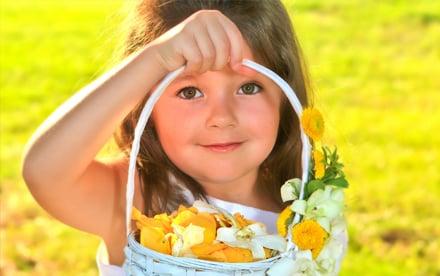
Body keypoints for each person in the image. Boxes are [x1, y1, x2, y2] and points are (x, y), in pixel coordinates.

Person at [21, 0, 347, 275]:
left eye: (248, 87)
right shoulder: (135, 200)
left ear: (284, 97)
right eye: (189, 91)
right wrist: (156, 59)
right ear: (144, 103)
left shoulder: (306, 204)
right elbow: (45, 171)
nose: (221, 117)